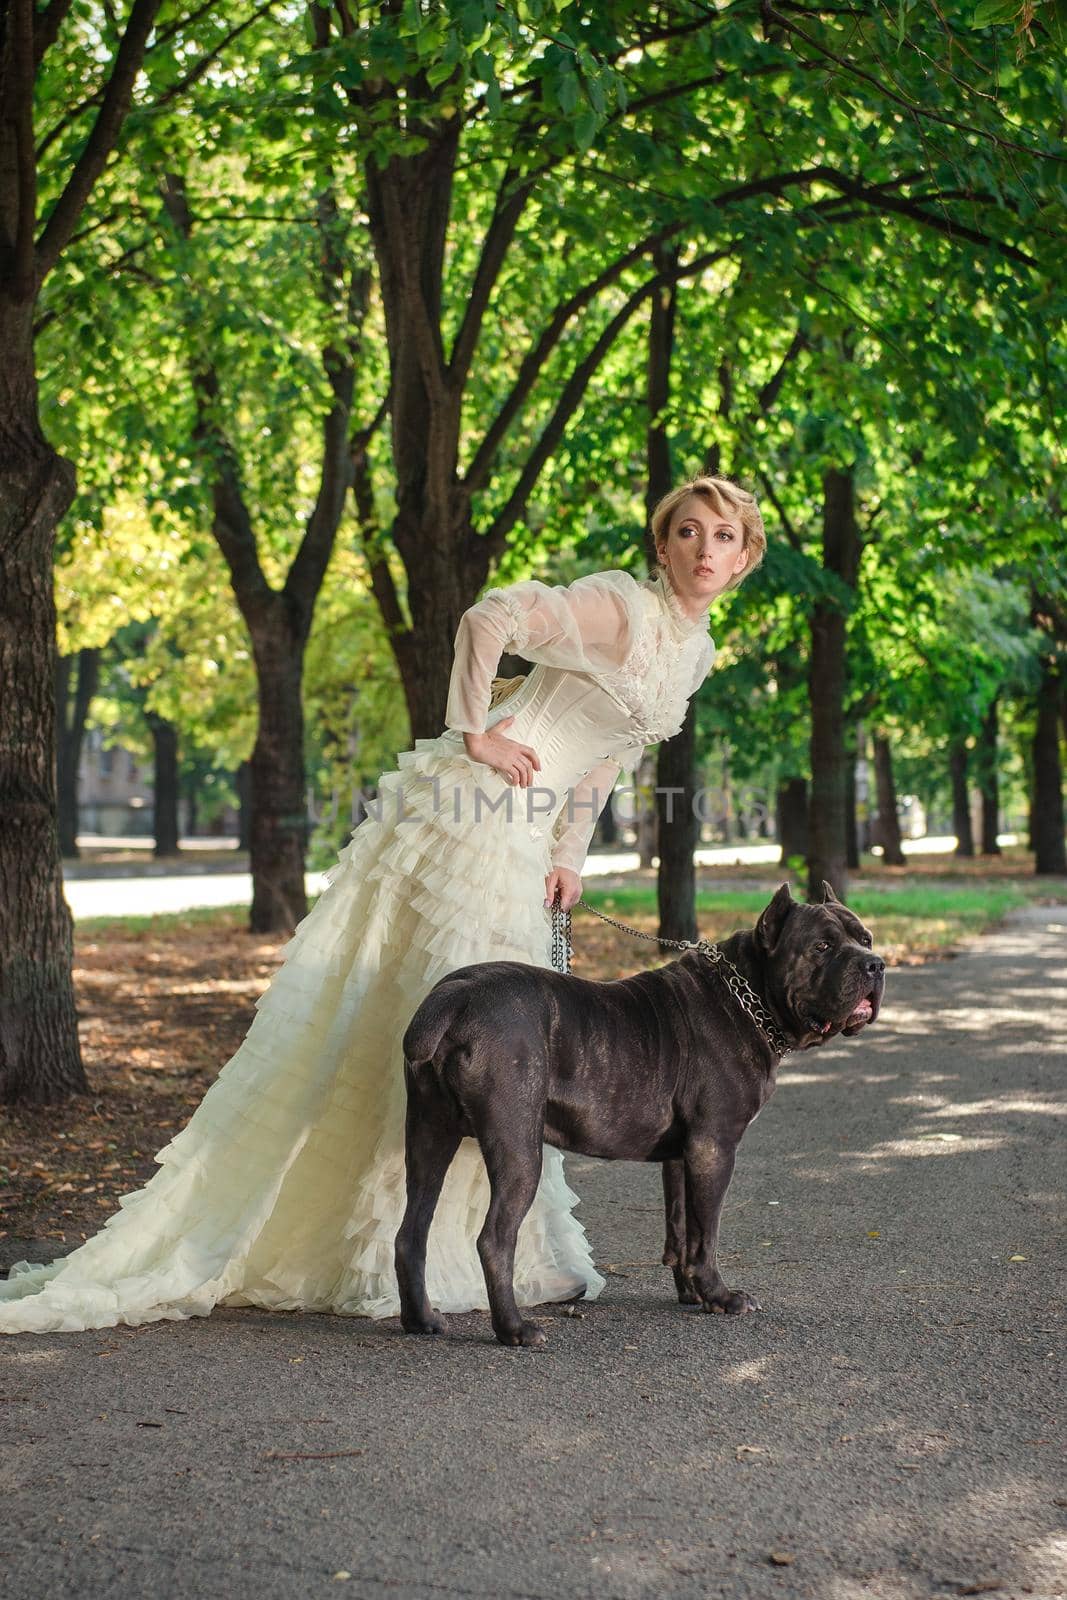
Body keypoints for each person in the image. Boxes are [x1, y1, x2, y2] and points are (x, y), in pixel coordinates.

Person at [0, 475, 765, 1334]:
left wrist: (568, 855)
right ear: (661, 546)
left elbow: (607, 757)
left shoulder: (691, 653)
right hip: (472, 813)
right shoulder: (619, 605)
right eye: (689, 532)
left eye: (725, 538)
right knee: (438, 1025)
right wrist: (474, 729)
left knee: (508, 1056)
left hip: (524, 835)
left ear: (743, 560)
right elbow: (489, 619)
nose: (705, 549)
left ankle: (475, 1254)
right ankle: (380, 1251)